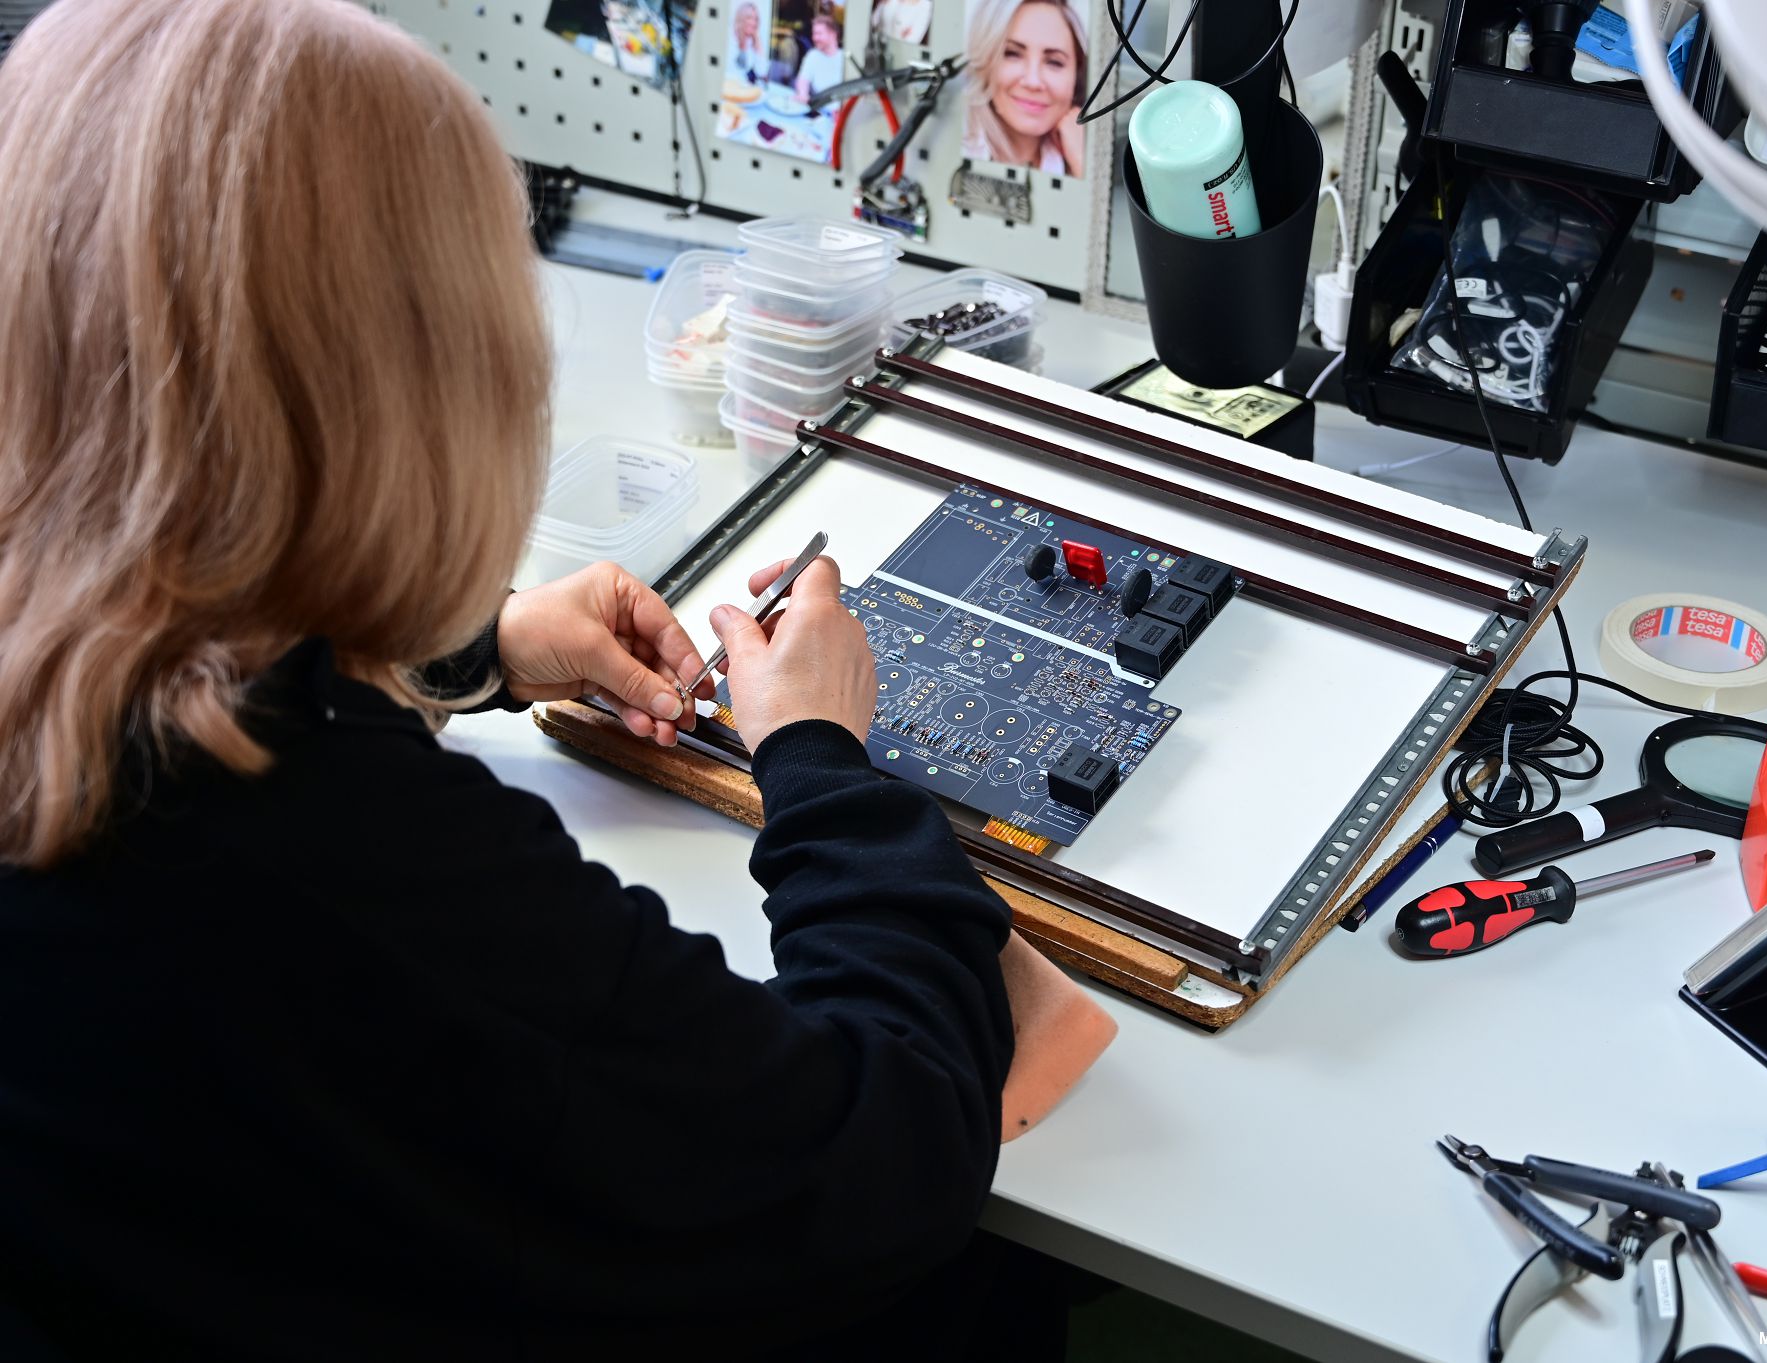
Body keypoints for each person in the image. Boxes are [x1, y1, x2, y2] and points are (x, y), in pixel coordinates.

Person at [0, 1, 1014, 1359]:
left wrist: (470, 645)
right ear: (429, 390)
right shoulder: (351, 863)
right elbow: (887, 1153)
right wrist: (823, 759)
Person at [960, 0, 1087, 176]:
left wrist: (1082, 162)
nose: (1033, 82)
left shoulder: (1080, 156)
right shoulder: (949, 144)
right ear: (985, 60)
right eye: (1013, 54)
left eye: (1054, 62)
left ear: (1077, 75)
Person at [792, 7, 844, 105]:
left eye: (819, 34)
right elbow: (803, 80)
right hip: (820, 108)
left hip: (842, 110)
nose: (814, 38)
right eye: (814, 34)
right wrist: (803, 94)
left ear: (833, 34)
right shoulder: (813, 55)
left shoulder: (844, 57)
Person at [729, 0, 766, 82]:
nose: (753, 23)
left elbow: (762, 72)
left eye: (756, 19)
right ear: (740, 18)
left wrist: (758, 42)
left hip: (742, 86)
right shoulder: (730, 38)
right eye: (749, 18)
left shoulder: (752, 42)